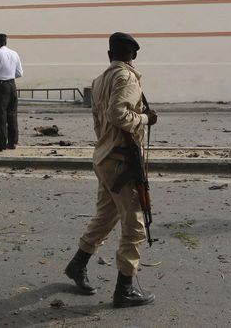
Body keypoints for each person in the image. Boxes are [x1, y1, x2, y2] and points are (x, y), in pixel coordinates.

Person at [65, 32, 159, 308]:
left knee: (106, 216)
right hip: (122, 162)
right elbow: (118, 115)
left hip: (105, 157)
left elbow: (99, 121)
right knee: (135, 226)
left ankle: (76, 264)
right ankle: (125, 288)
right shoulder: (127, 78)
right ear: (134, 57)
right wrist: (145, 118)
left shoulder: (99, 80)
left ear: (109, 55)